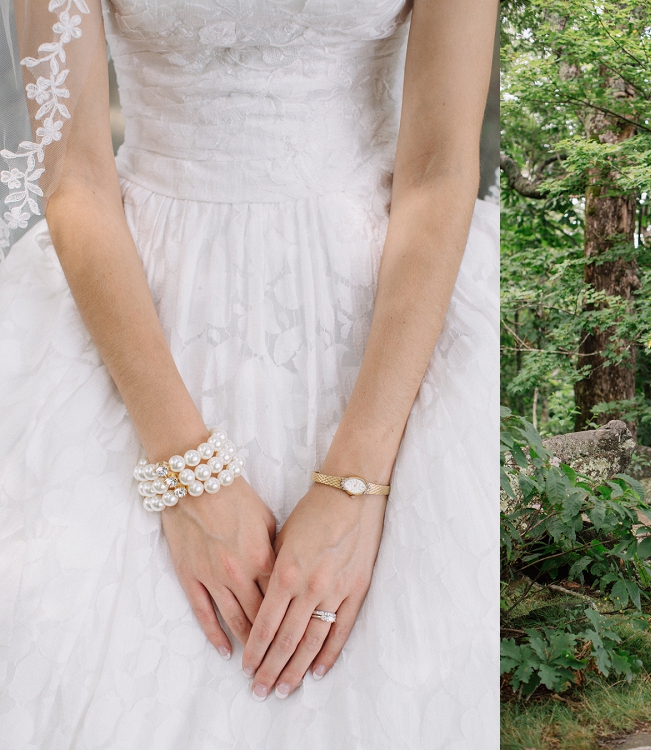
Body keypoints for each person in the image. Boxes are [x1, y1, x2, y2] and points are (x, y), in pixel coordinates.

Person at [0, 0, 499, 747]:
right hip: (137, 302)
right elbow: (74, 178)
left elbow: (439, 170)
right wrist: (184, 470)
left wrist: (355, 485)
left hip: (387, 303)